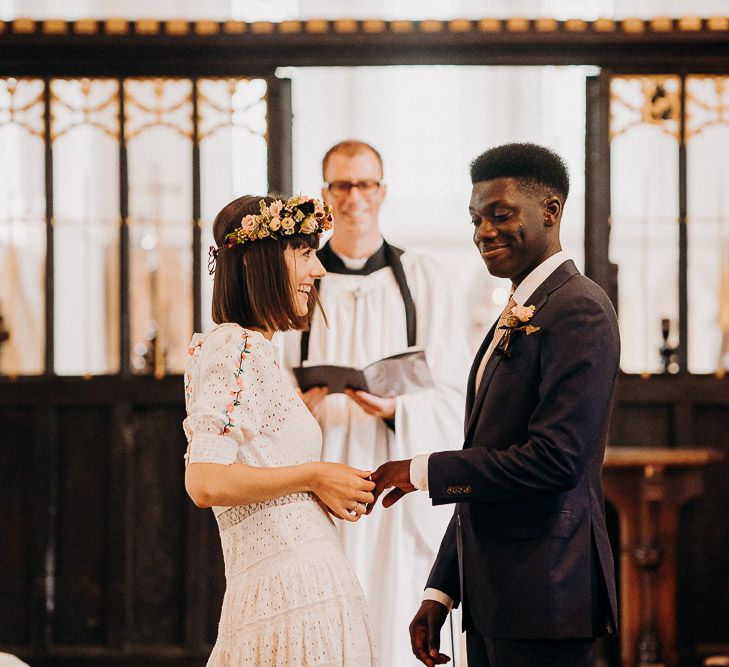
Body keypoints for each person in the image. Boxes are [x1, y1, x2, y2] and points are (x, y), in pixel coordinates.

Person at [368, 143, 620, 667]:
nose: (483, 231)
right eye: (475, 218)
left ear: (550, 211)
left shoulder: (579, 309)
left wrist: (419, 471)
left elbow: (556, 459)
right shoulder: (518, 308)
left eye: (499, 215)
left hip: (544, 594)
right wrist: (441, 591)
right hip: (494, 596)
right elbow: (487, 457)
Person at [277, 140, 468, 666]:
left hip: (392, 474)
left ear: (382, 191)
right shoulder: (296, 277)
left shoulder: (426, 279)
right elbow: (271, 378)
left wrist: (397, 409)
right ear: (325, 194)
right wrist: (296, 404)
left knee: (390, 604)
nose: (354, 197)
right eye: (342, 185)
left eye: (365, 184)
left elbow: (456, 392)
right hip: (316, 471)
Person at [183, 194, 377, 666]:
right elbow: (205, 481)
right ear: (256, 260)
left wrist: (333, 485)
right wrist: (314, 476)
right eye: (304, 252)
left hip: (305, 584)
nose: (319, 270)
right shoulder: (236, 346)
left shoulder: (263, 353)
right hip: (286, 592)